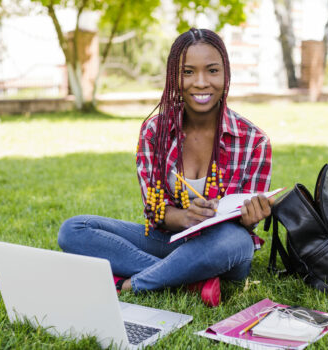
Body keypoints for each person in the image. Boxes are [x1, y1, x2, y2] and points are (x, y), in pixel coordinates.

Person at [58, 28, 273, 307]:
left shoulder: (255, 141)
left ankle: (135, 283)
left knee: (238, 241)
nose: (200, 82)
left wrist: (250, 218)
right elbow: (155, 211)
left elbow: (247, 224)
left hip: (221, 249)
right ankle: (192, 282)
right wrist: (185, 217)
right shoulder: (154, 131)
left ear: (225, 75)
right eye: (187, 72)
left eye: (212, 71)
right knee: (74, 229)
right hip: (168, 240)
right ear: (175, 77)